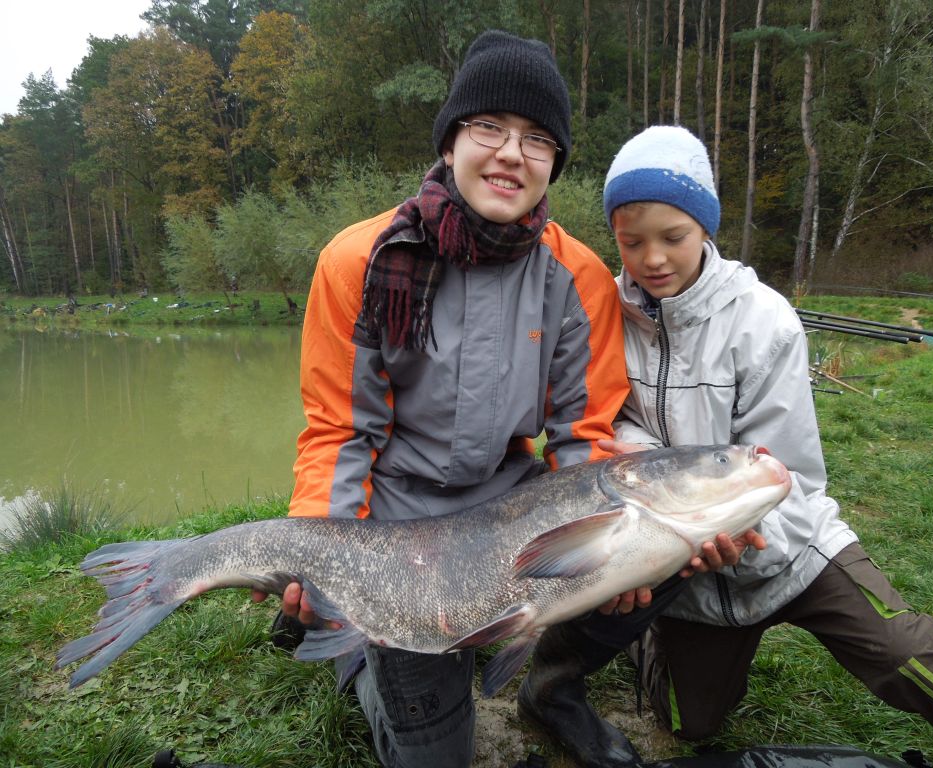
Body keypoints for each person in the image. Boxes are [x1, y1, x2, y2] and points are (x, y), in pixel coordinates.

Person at [252, 32, 754, 768]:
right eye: (489, 127)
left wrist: (611, 553)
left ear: (554, 162)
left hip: (509, 507)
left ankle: (550, 679)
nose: (512, 153)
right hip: (395, 518)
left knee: (675, 538)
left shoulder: (578, 276)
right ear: (451, 140)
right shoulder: (357, 260)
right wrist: (323, 554)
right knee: (433, 757)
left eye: (538, 139)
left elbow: (583, 436)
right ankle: (357, 654)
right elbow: (340, 431)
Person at [595, 124, 933, 768]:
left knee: (905, 654)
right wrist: (671, 528)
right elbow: (613, 427)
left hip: (792, 549)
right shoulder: (606, 315)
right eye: (632, 242)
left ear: (705, 228)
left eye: (673, 237)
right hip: (688, 570)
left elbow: (785, 470)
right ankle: (646, 636)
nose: (652, 258)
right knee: (692, 724)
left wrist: (741, 533)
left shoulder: (764, 318)